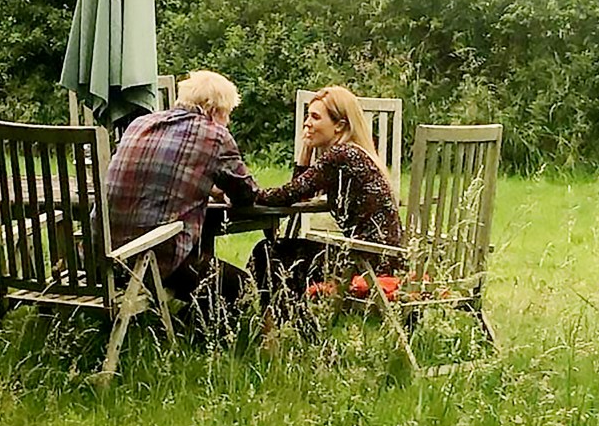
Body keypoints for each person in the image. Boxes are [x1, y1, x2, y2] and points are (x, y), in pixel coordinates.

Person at [106, 70, 258, 307]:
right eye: (227, 114)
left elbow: (156, 179)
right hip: (151, 263)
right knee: (241, 285)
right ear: (214, 111)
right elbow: (246, 193)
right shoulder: (215, 135)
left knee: (202, 257)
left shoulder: (140, 123)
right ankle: (203, 337)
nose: (228, 122)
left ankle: (190, 322)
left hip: (104, 258)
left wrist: (204, 186)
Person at [249, 86, 404, 301]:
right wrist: (306, 150)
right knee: (281, 252)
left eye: (315, 117)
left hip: (366, 264)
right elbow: (302, 192)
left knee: (268, 252)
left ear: (339, 125)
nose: (307, 123)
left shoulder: (341, 155)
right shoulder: (354, 153)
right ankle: (289, 321)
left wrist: (243, 191)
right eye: (307, 116)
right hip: (385, 259)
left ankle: (277, 325)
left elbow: (288, 194)